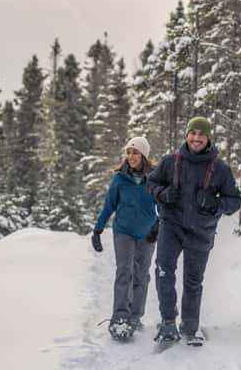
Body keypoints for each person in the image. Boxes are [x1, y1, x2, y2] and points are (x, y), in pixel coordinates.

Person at [147, 116, 241, 345]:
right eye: (193, 133)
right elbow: (151, 184)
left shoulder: (220, 169)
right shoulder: (170, 162)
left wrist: (215, 203)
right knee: (163, 270)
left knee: (193, 280)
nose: (196, 138)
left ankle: (190, 327)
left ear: (208, 138)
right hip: (171, 225)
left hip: (201, 231)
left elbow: (235, 201)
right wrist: (162, 194)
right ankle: (168, 322)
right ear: (186, 135)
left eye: (201, 134)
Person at [91, 136, 160, 341]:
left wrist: (158, 225)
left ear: (144, 155)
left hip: (147, 233)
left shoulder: (154, 178)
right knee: (124, 272)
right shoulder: (119, 179)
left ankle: (135, 316)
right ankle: (120, 318)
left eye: (135, 152)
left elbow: (163, 204)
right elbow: (109, 206)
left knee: (141, 275)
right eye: (128, 152)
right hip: (123, 231)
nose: (131, 156)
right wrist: (97, 230)